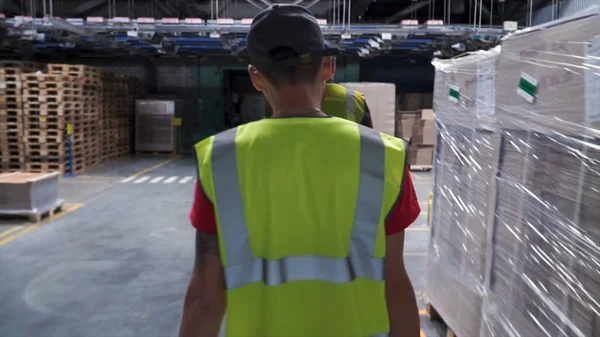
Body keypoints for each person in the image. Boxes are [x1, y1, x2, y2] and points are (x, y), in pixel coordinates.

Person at [179, 4, 421, 337]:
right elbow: (395, 286)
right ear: (328, 67)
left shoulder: (219, 159)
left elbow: (205, 300)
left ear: (256, 77)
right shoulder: (385, 156)